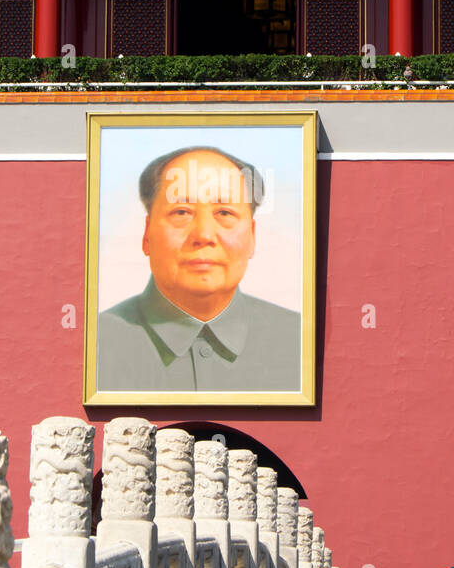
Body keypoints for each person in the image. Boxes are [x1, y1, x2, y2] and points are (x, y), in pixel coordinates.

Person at [97, 145, 301, 391]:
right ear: (147, 235)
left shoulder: (298, 340)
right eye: (181, 212)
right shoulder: (96, 342)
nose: (204, 235)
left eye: (224, 213)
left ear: (252, 237)